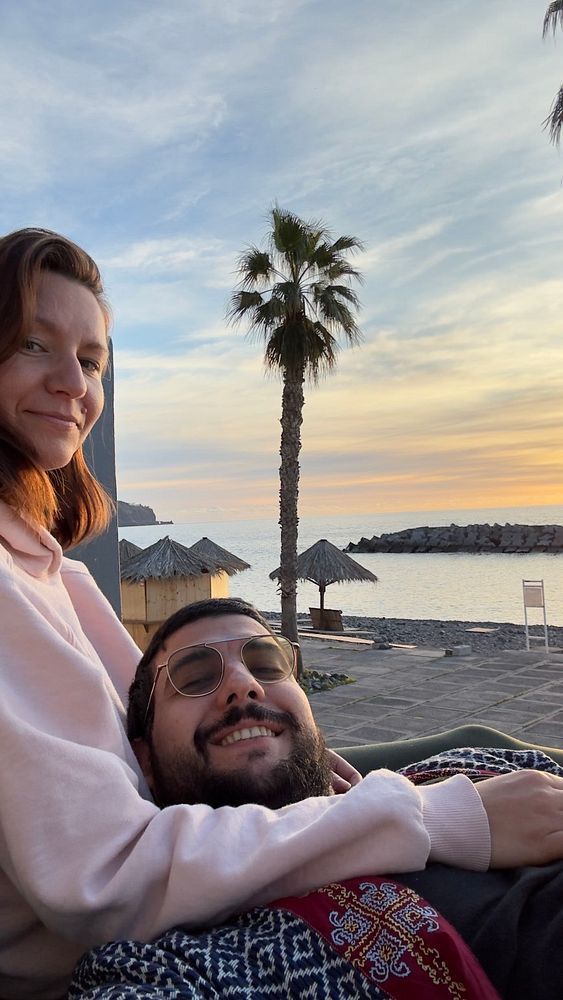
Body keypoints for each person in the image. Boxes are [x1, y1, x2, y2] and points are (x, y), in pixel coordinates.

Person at [0, 229, 561, 1000]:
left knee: (476, 740)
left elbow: (141, 716)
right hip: (129, 937)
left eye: (91, 359)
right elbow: (107, 876)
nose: (74, 382)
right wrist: (438, 819)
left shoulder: (48, 565)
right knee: (478, 780)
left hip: (185, 845)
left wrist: (309, 767)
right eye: (36, 343)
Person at [69, 597, 563, 1000]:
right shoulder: (182, 968)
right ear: (146, 762)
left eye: (266, 663)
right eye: (194, 678)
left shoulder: (468, 767)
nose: (244, 685)